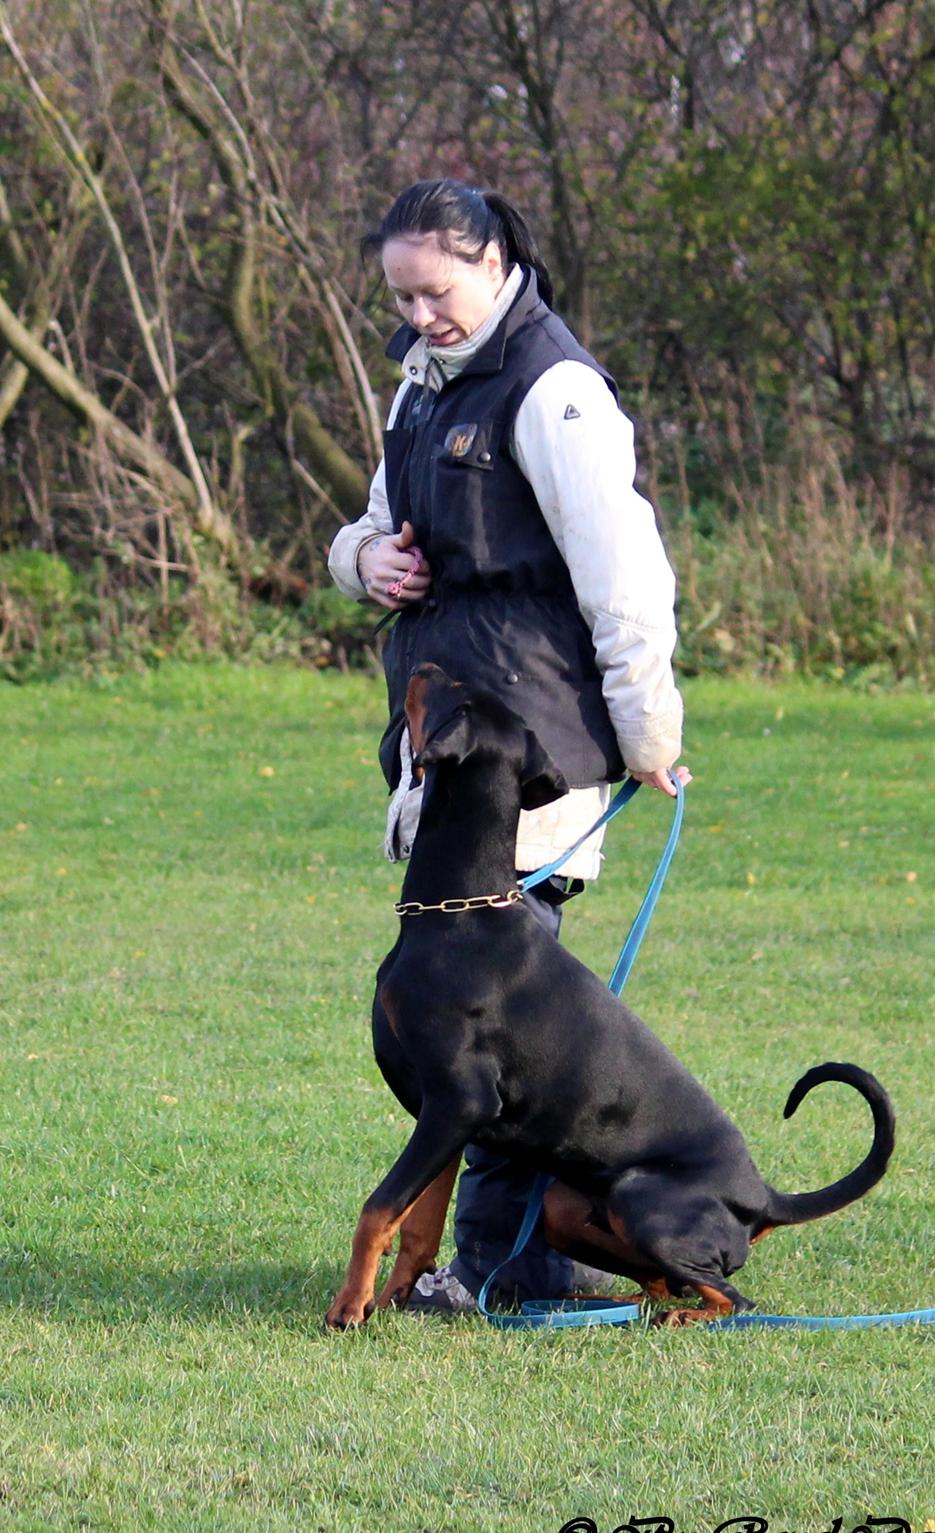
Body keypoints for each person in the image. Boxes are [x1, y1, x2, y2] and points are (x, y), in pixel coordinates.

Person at [328, 178, 687, 1315]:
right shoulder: (420, 382)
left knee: (493, 1026)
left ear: (489, 262)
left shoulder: (558, 390)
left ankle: (487, 1263)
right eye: (399, 295)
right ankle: (517, 1255)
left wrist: (646, 735)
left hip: (529, 747)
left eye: (432, 291)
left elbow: (624, 577)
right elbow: (375, 521)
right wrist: (364, 563)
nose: (417, 315)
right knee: (467, 1013)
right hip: (446, 741)